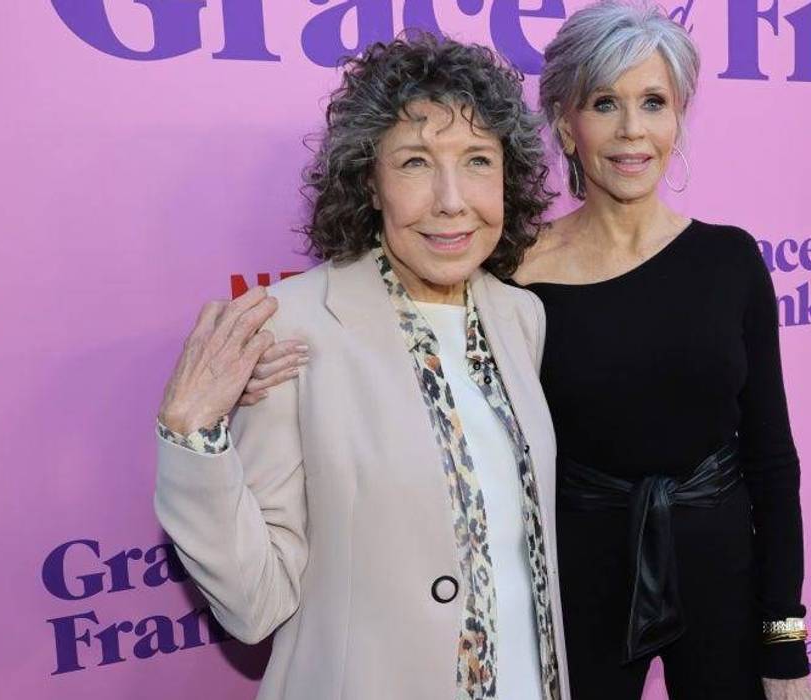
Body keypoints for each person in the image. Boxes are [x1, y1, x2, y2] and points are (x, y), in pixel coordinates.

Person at [154, 34, 569, 700]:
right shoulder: (293, 327)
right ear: (368, 183)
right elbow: (253, 603)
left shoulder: (519, 318)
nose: (451, 199)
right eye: (413, 163)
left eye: (476, 161)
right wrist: (192, 437)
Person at [517, 2, 811, 698]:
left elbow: (771, 461)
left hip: (721, 570)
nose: (631, 131)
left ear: (678, 117)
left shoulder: (729, 261)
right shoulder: (518, 274)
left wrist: (784, 640)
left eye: (653, 102)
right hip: (576, 580)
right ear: (565, 122)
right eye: (603, 103)